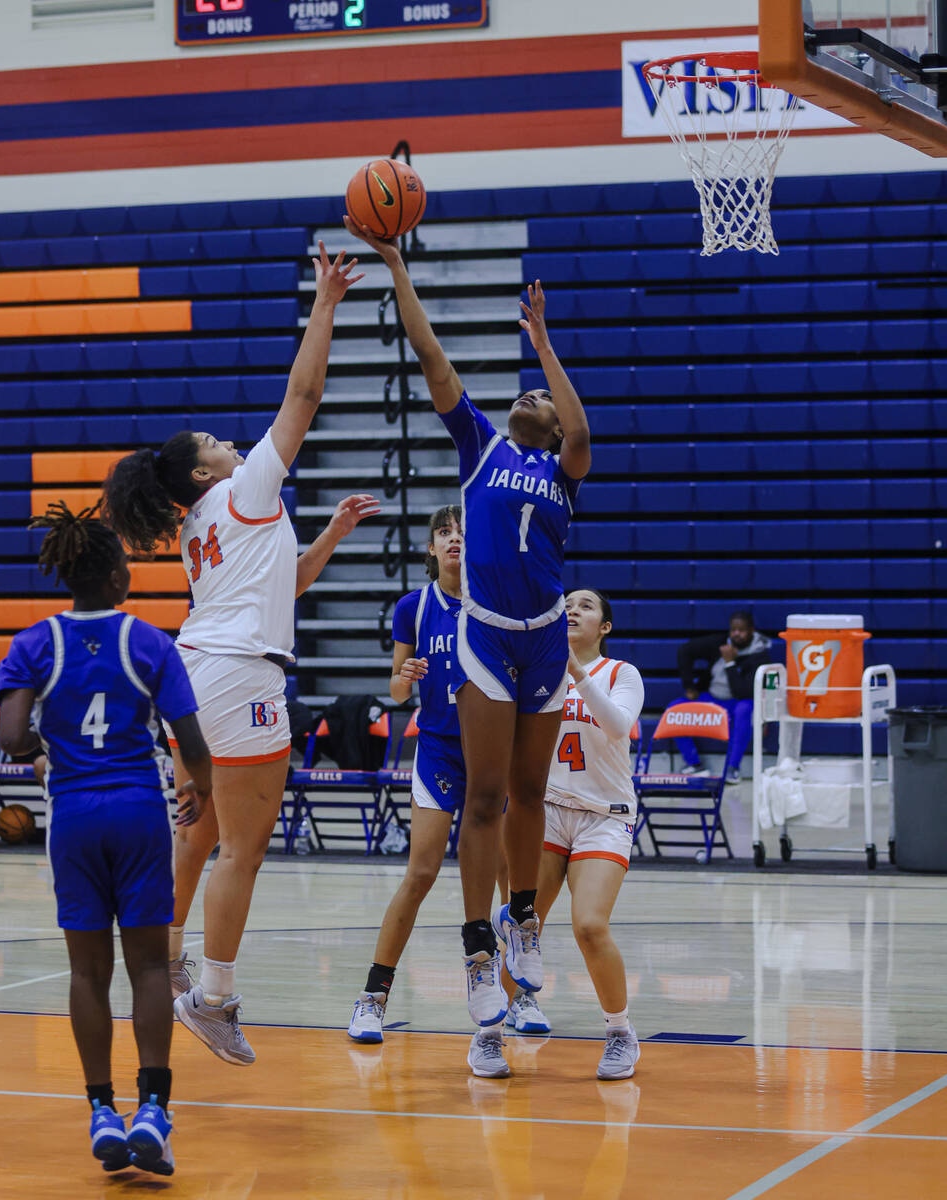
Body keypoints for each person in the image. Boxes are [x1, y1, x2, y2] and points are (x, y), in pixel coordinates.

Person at [102, 242, 372, 1066]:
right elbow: (305, 392)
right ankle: (212, 996)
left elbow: (278, 591)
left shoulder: (197, 529)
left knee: (201, 833)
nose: (231, 442)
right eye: (217, 441)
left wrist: (327, 535)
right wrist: (324, 301)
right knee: (240, 849)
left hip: (195, 674)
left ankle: (165, 956)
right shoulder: (244, 488)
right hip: (239, 678)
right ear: (200, 469)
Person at [345, 216, 591, 1078]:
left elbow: (581, 431)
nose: (527, 394)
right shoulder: (481, 444)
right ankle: (480, 952)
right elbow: (429, 353)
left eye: (539, 398)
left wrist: (546, 345)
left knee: (531, 790)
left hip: (544, 640)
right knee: (484, 798)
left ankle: (525, 922)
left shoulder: (565, 466)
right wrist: (392, 261)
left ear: (552, 424)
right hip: (487, 636)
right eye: (525, 388)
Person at [0, 501, 213, 1177]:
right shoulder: (149, 642)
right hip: (138, 810)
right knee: (150, 966)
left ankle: (100, 1110)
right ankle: (152, 1107)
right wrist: (199, 787)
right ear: (118, 576)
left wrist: (45, 741)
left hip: (73, 817)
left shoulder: (33, 644)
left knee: (88, 971)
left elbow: (9, 739)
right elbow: (192, 741)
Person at [347, 505, 507, 1044]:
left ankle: (517, 992)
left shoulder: (495, 605)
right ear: (431, 550)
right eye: (445, 532)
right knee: (420, 872)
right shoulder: (414, 608)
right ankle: (372, 997)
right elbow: (395, 689)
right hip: (438, 749)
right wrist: (405, 676)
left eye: (463, 530)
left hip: (489, 752)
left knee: (507, 875)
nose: (455, 538)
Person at [500, 588, 644, 1081]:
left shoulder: (621, 673)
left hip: (605, 814)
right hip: (547, 810)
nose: (573, 610)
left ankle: (621, 1032)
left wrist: (575, 672)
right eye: (568, 605)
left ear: (604, 627)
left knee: (589, 926)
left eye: (586, 606)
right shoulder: (535, 673)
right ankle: (490, 1033)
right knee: (521, 926)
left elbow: (619, 724)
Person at [675, 609, 773, 783]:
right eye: (733, 630)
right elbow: (685, 651)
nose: (736, 634)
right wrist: (689, 686)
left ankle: (732, 768)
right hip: (713, 698)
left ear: (752, 630)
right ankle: (695, 765)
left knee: (746, 708)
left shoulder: (760, 656)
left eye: (741, 630)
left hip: (736, 703)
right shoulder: (719, 643)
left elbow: (742, 692)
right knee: (675, 708)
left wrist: (730, 663)